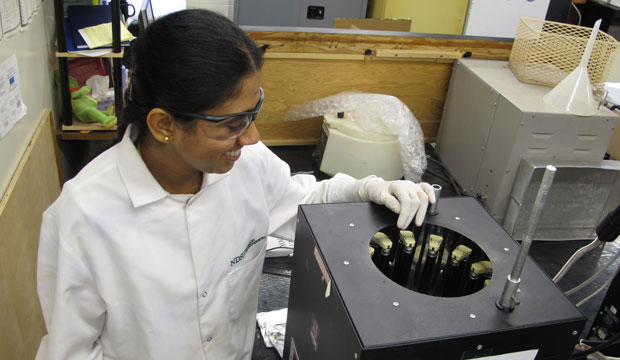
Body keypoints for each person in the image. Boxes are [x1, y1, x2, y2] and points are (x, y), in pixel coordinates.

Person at [36, 9, 435, 360]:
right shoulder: (83, 218)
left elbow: (302, 203)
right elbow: (72, 351)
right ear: (164, 125)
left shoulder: (246, 163)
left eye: (253, 110)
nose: (252, 137)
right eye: (231, 124)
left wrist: (368, 190)